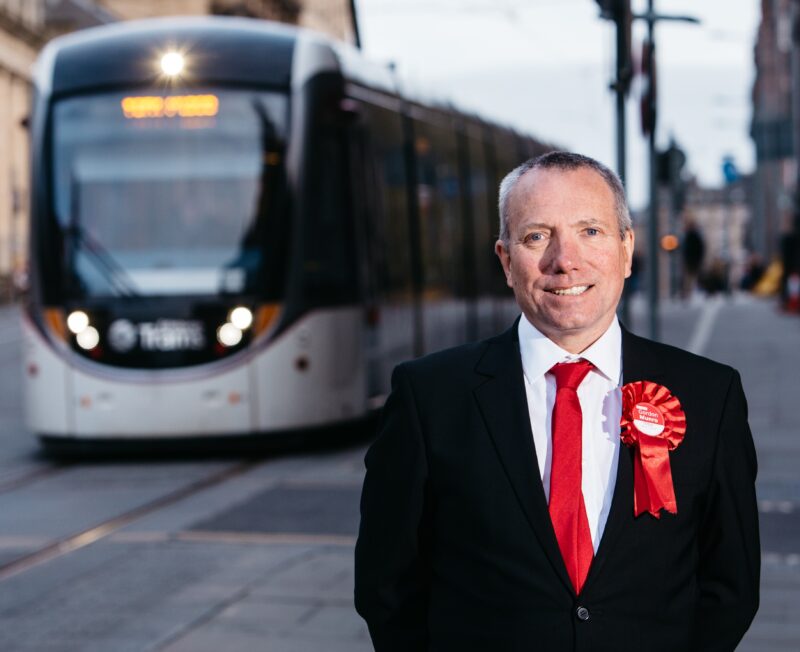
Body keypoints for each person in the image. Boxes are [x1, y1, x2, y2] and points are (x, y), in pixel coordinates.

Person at [354, 151, 760, 652]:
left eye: (590, 231)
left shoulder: (709, 395)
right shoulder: (428, 397)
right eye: (536, 236)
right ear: (505, 260)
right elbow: (386, 587)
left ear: (627, 250)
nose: (564, 260)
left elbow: (731, 584)